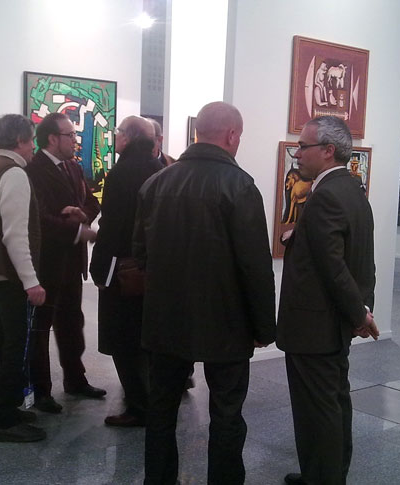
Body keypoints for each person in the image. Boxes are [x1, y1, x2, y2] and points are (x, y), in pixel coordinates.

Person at [134, 101, 276, 484]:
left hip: (165, 319)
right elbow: (255, 267)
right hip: (226, 322)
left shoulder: (156, 183)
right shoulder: (240, 186)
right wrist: (264, 327)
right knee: (227, 414)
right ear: (231, 135)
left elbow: (140, 255)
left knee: (161, 412)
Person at [276, 116, 379, 485]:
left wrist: (360, 315)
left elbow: (334, 267)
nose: (297, 154)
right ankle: (328, 474)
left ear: (328, 150)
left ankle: (322, 478)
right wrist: (362, 308)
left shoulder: (326, 196)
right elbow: (361, 259)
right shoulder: (351, 189)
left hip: (313, 328)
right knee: (334, 402)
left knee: (316, 411)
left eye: (303, 146)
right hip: (331, 325)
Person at [25, 112, 104, 414]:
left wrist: (83, 215)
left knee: (72, 321)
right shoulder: (34, 170)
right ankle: (41, 390)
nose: (75, 140)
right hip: (47, 261)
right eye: (70, 135)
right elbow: (39, 218)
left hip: (72, 261)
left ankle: (75, 379)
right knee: (41, 327)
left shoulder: (73, 167)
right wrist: (75, 230)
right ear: (52, 138)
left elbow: (92, 202)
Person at [90, 115, 162, 427]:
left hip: (124, 269)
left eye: (118, 131)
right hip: (152, 268)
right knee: (146, 339)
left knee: (123, 339)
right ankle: (153, 401)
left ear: (128, 137)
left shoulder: (121, 172)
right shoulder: (160, 168)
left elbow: (113, 224)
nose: (115, 136)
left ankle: (138, 406)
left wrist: (99, 267)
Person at [0, 114, 46, 442]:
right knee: (14, 345)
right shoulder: (14, 173)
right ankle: (3, 420)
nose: (33, 147)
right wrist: (31, 281)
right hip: (10, 275)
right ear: (19, 140)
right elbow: (16, 234)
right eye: (31, 140)